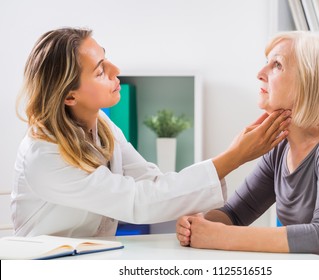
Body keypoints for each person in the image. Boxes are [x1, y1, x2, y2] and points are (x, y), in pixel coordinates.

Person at [11, 27, 291, 238]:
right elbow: (137, 202)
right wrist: (235, 156)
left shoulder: (103, 126)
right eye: (99, 71)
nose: (115, 69)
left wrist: (194, 214)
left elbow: (152, 182)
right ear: (70, 97)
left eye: (106, 58)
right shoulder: (44, 155)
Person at [176, 31, 319, 260]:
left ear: (309, 81)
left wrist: (220, 236)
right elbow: (236, 214)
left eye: (277, 65)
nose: (260, 74)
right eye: (266, 64)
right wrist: (197, 225)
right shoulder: (281, 149)